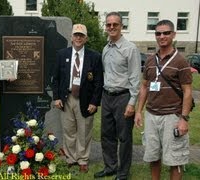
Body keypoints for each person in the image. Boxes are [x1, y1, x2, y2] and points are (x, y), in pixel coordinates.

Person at [134, 19, 192, 180]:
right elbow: (145, 86)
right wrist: (139, 111)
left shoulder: (181, 61)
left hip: (172, 116)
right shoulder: (151, 60)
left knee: (175, 159)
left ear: (173, 34)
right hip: (152, 116)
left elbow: (187, 92)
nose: (162, 36)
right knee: (153, 156)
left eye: (166, 33)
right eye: (158, 33)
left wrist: (184, 119)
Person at [94, 12, 141, 180]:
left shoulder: (130, 49)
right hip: (107, 97)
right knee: (106, 135)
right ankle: (110, 167)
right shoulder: (105, 48)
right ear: (106, 27)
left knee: (124, 137)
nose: (111, 27)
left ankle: (123, 172)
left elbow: (135, 78)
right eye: (109, 24)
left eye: (115, 24)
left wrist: (132, 103)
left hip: (123, 97)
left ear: (121, 26)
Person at [52, 24, 104, 173]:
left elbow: (99, 82)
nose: (78, 38)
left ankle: (82, 159)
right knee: (69, 130)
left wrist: (95, 102)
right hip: (67, 98)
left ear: (86, 38)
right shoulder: (62, 54)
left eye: (81, 35)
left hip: (86, 99)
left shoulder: (94, 57)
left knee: (84, 131)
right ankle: (70, 158)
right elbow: (55, 78)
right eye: (76, 35)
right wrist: (56, 98)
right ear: (71, 37)